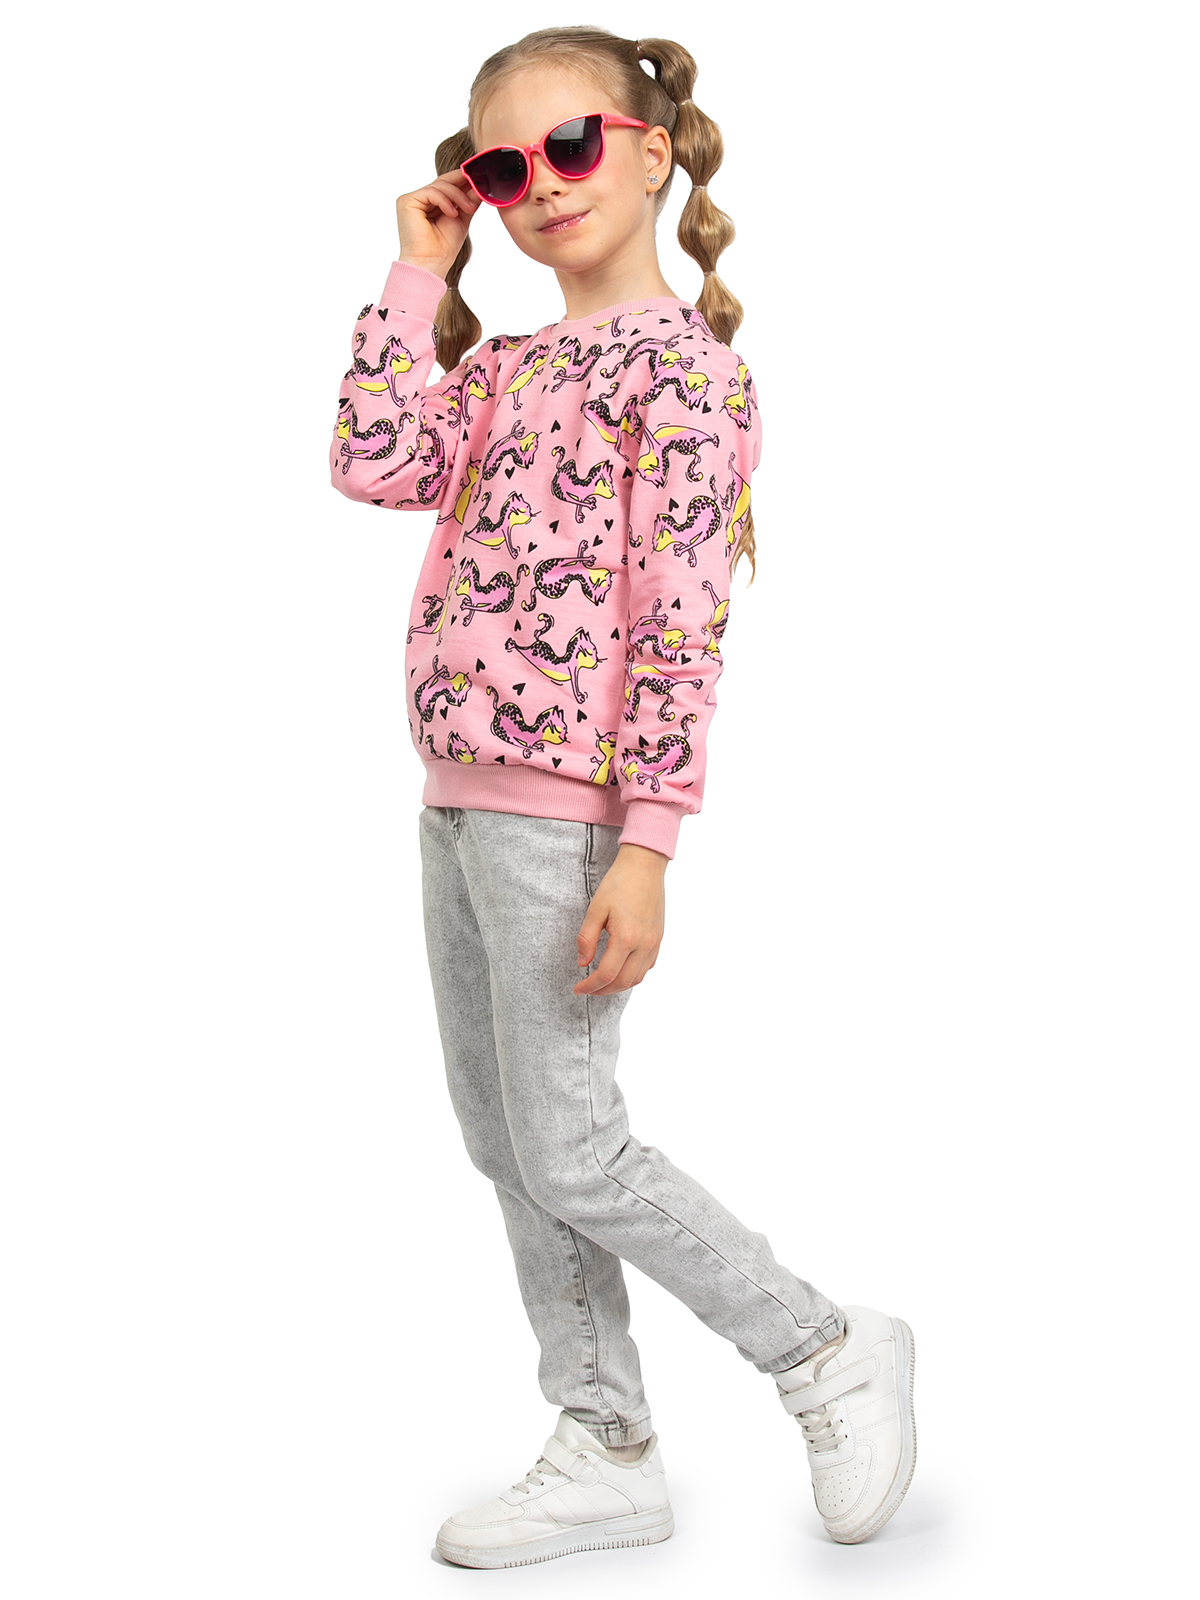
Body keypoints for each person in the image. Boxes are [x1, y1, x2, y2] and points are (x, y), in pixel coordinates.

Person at [329, 24, 916, 1570]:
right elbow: (371, 462)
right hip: (456, 801)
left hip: (566, 815)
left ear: (652, 152)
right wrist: (415, 275)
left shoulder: (687, 376)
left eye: (571, 145)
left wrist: (646, 846)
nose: (541, 183)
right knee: (508, 1143)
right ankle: (606, 1442)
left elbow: (680, 629)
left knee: (576, 1148)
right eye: (501, 167)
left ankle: (822, 1346)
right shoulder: (499, 368)